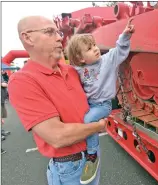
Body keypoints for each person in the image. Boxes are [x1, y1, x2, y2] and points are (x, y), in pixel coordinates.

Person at [8, 16, 107, 185]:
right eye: (50, 32)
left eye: (58, 32)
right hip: (70, 167)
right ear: (28, 37)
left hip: (92, 154)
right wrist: (99, 126)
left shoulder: (71, 71)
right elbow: (57, 136)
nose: (60, 37)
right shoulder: (23, 81)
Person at [67, 18, 135, 184]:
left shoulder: (107, 61)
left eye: (95, 45)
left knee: (88, 120)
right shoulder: (77, 69)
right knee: (81, 120)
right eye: (90, 49)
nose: (96, 49)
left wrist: (125, 36)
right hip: (88, 104)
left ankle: (92, 155)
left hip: (103, 104)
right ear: (80, 58)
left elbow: (119, 50)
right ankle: (86, 147)